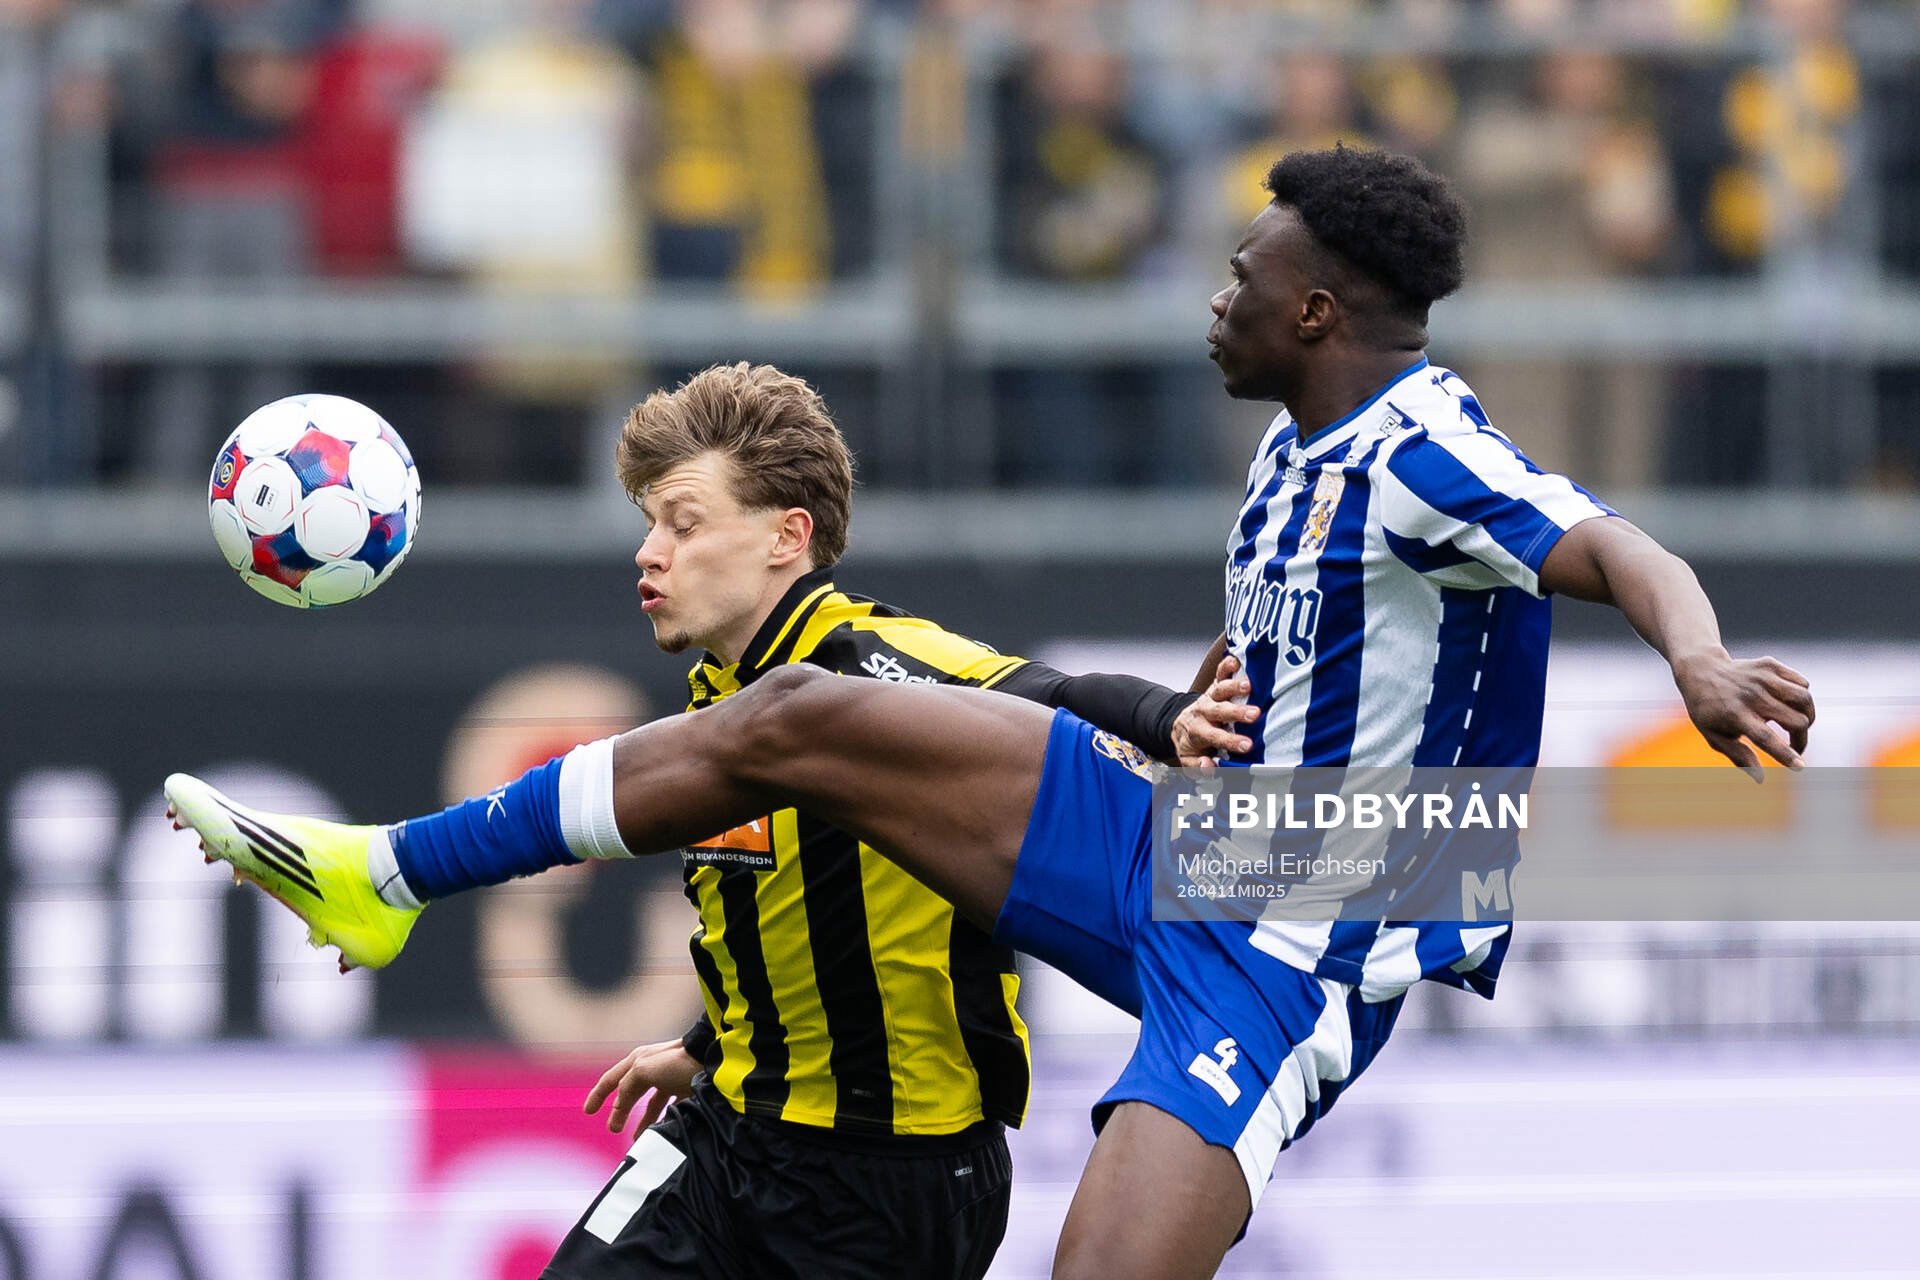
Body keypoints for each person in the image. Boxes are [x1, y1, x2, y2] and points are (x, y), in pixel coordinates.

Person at [168, 147, 1815, 1279]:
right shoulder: (1295, 454)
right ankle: (388, 873)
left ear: (1322, 311)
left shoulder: (1421, 443)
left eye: (1247, 277)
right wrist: (1205, 712)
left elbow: (1610, 541)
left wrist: (1698, 659)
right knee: (790, 718)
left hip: (1332, 905)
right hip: (1205, 843)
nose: (1219, 298)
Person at [182, 358, 1251, 1280]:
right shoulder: (716, 706)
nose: (650, 552)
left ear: (788, 536)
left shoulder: (871, 666)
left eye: (683, 521)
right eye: (650, 522)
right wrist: (705, 1043)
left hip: (891, 1179)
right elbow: (793, 915)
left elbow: (1047, 695)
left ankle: (385, 872)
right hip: (732, 1133)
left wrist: (1169, 716)